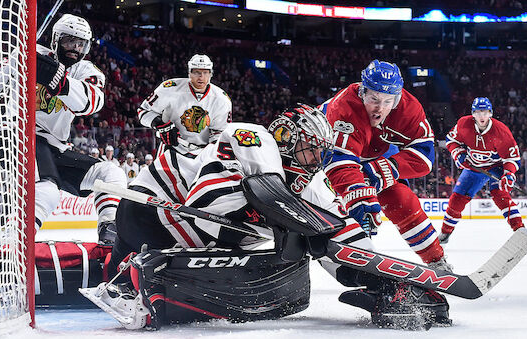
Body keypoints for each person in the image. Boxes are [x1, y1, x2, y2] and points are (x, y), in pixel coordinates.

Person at [88, 104, 449, 330]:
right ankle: (136, 279)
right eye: (311, 148)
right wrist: (300, 225)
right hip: (149, 211)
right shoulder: (256, 138)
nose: (316, 160)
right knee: (292, 229)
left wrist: (382, 279)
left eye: (321, 153)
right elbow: (209, 204)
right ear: (288, 137)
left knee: (303, 237)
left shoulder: (304, 181)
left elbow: (339, 233)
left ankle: (123, 275)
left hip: (191, 227)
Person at [0, 14, 126, 243]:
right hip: (20, 134)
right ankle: (12, 243)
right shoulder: (29, 55)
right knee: (47, 189)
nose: (74, 48)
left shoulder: (86, 70)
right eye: (68, 41)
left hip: (54, 145)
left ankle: (109, 232)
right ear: (55, 39)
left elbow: (92, 102)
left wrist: (59, 81)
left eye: (80, 44)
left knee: (110, 173)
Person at [321, 60, 451, 271]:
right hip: (323, 157)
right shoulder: (343, 107)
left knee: (402, 199)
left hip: (373, 156)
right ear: (362, 92)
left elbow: (425, 156)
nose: (379, 108)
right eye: (374, 99)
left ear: (397, 98)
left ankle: (437, 260)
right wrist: (359, 194)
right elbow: (339, 159)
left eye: (387, 101)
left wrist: (387, 168)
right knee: (335, 209)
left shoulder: (409, 109)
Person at [129, 54, 231, 209]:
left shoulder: (221, 99)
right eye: (196, 72)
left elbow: (219, 134)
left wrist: (213, 155)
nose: (201, 76)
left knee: (193, 197)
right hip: (171, 148)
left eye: (205, 72)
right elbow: (143, 112)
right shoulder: (169, 88)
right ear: (189, 72)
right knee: (158, 190)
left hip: (202, 154)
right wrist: (160, 124)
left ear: (211, 73)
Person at [439, 97, 523, 243]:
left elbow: (512, 158)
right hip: (474, 167)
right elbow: (451, 140)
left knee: (500, 194)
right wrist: (458, 154)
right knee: (456, 200)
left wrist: (509, 175)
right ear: (473, 114)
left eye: (484, 112)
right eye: (478, 112)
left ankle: (520, 230)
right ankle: (445, 234)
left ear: (490, 113)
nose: (481, 116)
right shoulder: (464, 124)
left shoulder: (501, 131)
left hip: (497, 167)